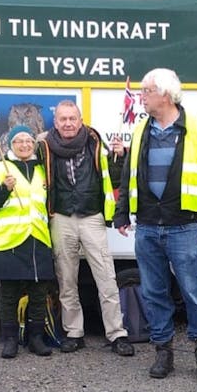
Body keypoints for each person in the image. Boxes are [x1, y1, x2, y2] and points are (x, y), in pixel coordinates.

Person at [112, 67, 197, 381]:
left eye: (146, 91)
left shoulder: (193, 126)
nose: (142, 97)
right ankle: (163, 352)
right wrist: (122, 214)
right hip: (147, 225)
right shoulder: (140, 130)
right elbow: (127, 177)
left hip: (184, 226)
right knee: (154, 292)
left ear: (164, 93)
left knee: (193, 292)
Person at [41, 100, 134, 356]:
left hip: (92, 216)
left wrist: (119, 158)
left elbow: (114, 178)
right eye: (63, 119)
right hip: (60, 217)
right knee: (66, 279)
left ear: (80, 120)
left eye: (73, 118)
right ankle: (73, 333)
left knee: (106, 278)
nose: (68, 123)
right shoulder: (45, 146)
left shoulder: (95, 141)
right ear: (56, 122)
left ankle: (117, 334)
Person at [0, 125, 56, 358]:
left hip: (37, 237)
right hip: (10, 241)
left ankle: (36, 338)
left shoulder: (43, 169)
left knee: (38, 293)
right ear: (10, 145)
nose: (24, 145)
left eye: (28, 140)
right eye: (19, 141)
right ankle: (10, 340)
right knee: (9, 295)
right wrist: (5, 189)